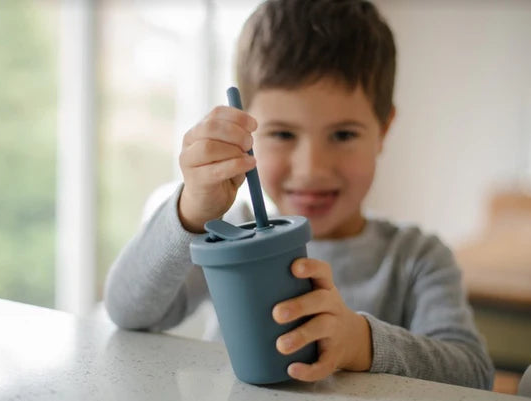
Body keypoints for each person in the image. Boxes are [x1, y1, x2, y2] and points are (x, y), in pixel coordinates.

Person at [104, 0, 494, 389]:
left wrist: (362, 343)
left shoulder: (417, 259)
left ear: (384, 129)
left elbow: (474, 373)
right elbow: (127, 311)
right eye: (282, 134)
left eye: (343, 134)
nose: (311, 169)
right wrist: (189, 212)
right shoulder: (229, 235)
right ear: (248, 134)